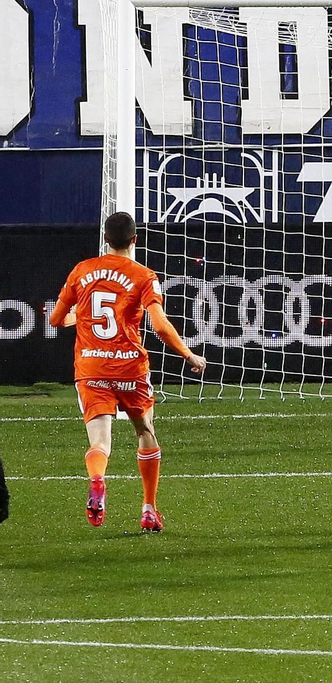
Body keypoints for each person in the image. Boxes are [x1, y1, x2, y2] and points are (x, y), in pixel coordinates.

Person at [47, 212, 207, 532]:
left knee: (100, 443)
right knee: (145, 431)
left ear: (106, 240)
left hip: (92, 366)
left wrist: (82, 318)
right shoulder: (143, 275)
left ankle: (97, 480)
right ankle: (149, 508)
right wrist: (188, 354)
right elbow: (159, 325)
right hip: (130, 368)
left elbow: (55, 320)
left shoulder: (82, 270)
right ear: (135, 240)